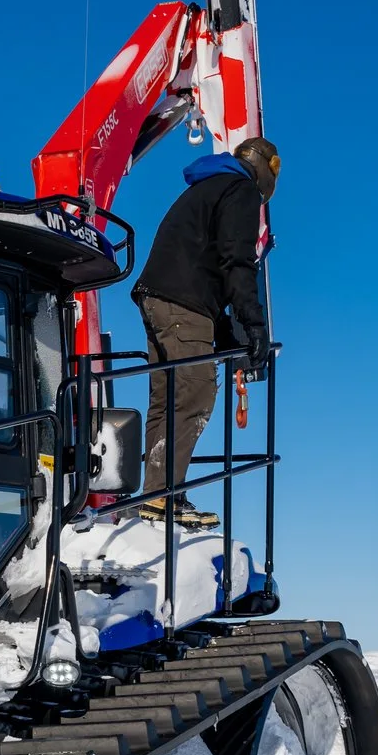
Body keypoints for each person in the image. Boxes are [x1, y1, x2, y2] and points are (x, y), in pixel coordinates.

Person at [130, 136, 279, 529]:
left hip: (158, 299)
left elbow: (208, 269)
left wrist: (230, 335)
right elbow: (237, 261)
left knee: (166, 400)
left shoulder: (208, 187)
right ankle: (164, 497)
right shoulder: (241, 190)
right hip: (183, 305)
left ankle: (157, 494)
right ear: (265, 169)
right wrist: (254, 323)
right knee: (196, 394)